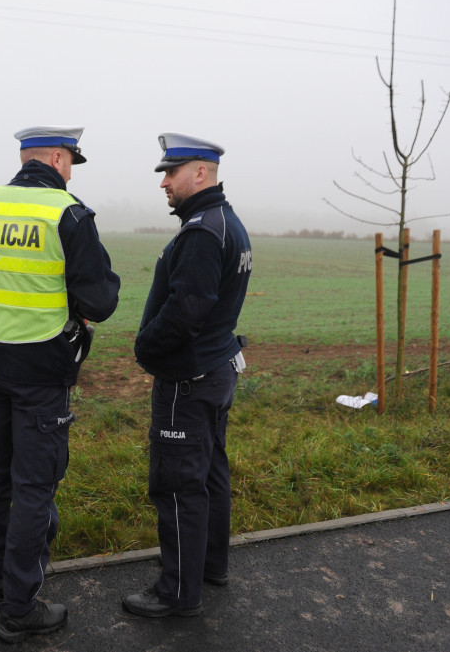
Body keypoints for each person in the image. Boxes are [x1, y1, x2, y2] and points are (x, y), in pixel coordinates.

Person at [0, 126, 120, 643]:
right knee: (34, 488)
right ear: (56, 157)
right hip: (41, 374)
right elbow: (100, 303)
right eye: (71, 161)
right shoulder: (68, 213)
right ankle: (19, 607)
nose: (71, 170)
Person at [122, 133, 252, 618]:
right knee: (211, 474)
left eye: (170, 172)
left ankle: (177, 592)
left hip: (188, 381)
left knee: (177, 485)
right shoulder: (228, 222)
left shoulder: (202, 231)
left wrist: (143, 346)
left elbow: (185, 312)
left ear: (200, 173)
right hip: (216, 371)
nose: (163, 182)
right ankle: (209, 566)